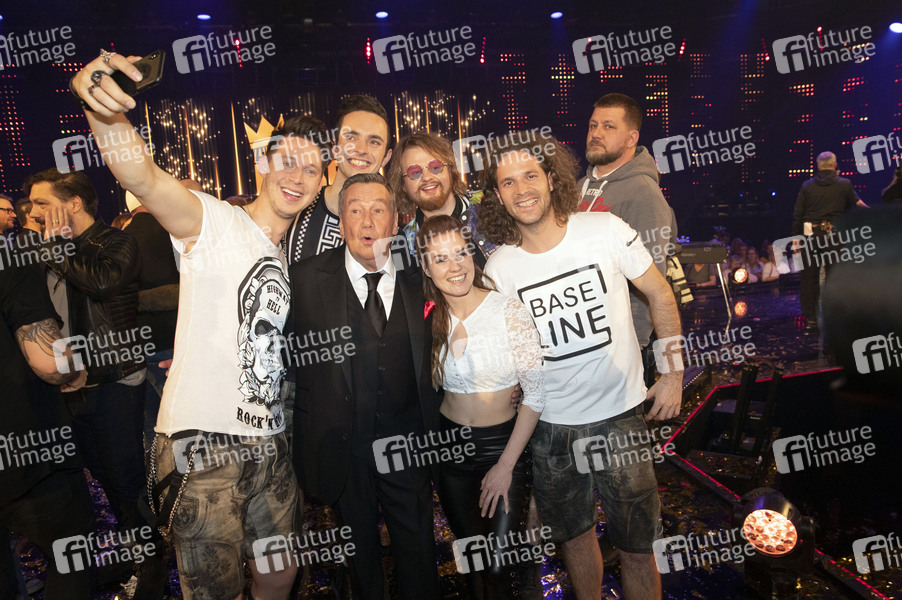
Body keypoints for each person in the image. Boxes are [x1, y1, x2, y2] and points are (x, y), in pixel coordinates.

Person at [68, 51, 330, 599]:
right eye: (287, 162)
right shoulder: (214, 221)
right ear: (263, 164)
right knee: (213, 589)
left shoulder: (283, 256)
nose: (297, 176)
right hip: (204, 442)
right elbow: (141, 175)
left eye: (311, 169)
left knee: (281, 572)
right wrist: (103, 110)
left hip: (268, 439)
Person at [479, 132, 683, 600]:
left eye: (530, 175)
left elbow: (660, 293)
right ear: (498, 196)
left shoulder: (604, 229)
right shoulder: (499, 268)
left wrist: (672, 373)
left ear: (552, 179)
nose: (522, 189)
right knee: (573, 541)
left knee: (637, 549)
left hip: (621, 417)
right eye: (508, 182)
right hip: (551, 429)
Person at [288, 173, 441, 600]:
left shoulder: (422, 275)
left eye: (378, 210)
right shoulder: (303, 278)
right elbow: (267, 340)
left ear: (396, 221)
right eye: (355, 210)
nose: (367, 221)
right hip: (342, 449)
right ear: (341, 223)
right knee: (360, 565)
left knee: (419, 557)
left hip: (409, 445)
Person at [415, 215, 543, 599]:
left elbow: (535, 395)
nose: (454, 266)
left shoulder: (508, 311)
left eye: (460, 253)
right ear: (425, 267)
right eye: (440, 258)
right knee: (471, 560)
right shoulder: (426, 317)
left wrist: (505, 466)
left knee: (499, 565)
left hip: (502, 448)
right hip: (449, 450)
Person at [23, 169, 148, 536]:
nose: (33, 212)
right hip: (69, 382)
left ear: (73, 203)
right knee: (99, 472)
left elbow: (101, 282)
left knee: (126, 475)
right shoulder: (46, 250)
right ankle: (130, 541)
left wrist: (57, 248)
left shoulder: (116, 241)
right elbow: (49, 315)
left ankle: (150, 550)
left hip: (113, 377)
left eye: (42, 203)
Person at [0, 259, 94, 600]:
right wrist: (76, 367)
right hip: (27, 451)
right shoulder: (10, 261)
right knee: (70, 553)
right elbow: (50, 363)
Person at [577, 93, 679, 387]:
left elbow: (655, 287)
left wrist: (666, 369)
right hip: (580, 344)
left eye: (609, 126)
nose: (596, 133)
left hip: (622, 352)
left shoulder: (644, 194)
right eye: (593, 125)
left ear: (632, 138)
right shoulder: (578, 187)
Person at [284, 95, 393, 264]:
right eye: (351, 138)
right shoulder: (297, 211)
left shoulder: (393, 230)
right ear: (334, 148)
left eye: (374, 142)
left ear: (386, 157)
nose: (361, 149)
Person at [388, 132, 495, 270]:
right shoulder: (405, 245)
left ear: (451, 170)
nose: (427, 177)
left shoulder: (490, 205)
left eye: (435, 167)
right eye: (415, 172)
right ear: (403, 185)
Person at [123, 190, 179, 450]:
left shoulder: (123, 237)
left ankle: (154, 474)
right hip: (171, 342)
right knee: (181, 421)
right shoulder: (172, 230)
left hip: (137, 345)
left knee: (151, 424)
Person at [791, 151, 868, 331]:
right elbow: (855, 208)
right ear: (834, 165)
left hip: (810, 235)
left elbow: (798, 213)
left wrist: (795, 238)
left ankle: (810, 319)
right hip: (834, 235)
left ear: (818, 166)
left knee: (809, 278)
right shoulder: (844, 184)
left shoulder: (807, 185)